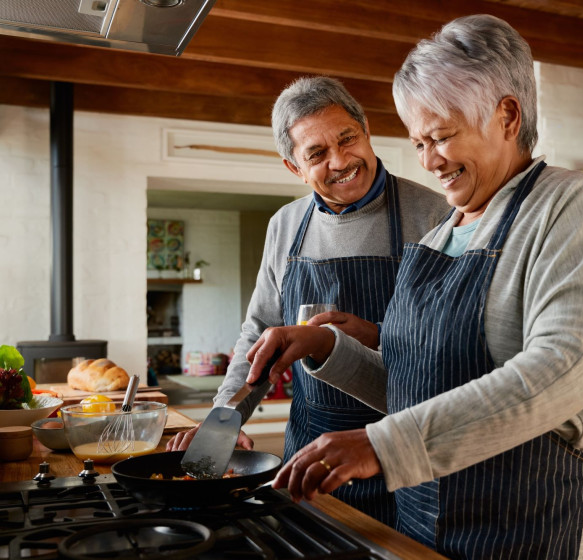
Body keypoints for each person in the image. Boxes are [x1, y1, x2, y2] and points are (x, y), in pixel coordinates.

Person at [247, 14, 583, 560]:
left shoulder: (571, 204)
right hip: (422, 519)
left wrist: (383, 444)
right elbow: (416, 387)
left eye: (443, 137)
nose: (430, 161)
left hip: (526, 523)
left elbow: (560, 372)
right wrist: (331, 348)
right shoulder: (441, 233)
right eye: (418, 141)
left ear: (506, 115)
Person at [166, 76, 450, 525]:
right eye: (316, 154)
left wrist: (377, 337)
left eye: (347, 139)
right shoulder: (285, 225)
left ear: (366, 130)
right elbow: (259, 332)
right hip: (309, 454)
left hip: (403, 451)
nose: (340, 161)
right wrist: (225, 418)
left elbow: (450, 350)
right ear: (293, 167)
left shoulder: (436, 216)